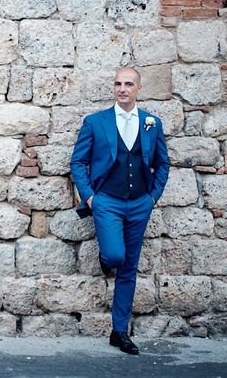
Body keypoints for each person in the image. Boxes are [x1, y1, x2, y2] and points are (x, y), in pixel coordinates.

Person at [69, 67, 170, 355]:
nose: (122, 88)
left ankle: (119, 332)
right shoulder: (95, 122)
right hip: (107, 201)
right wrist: (90, 198)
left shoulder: (152, 122)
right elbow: (78, 162)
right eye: (118, 84)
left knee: (128, 269)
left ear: (139, 88)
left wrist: (153, 197)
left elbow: (162, 163)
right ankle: (105, 256)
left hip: (140, 202)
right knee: (115, 255)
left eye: (128, 84)